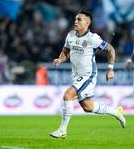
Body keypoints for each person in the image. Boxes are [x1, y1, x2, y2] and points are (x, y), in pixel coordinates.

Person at [50, 10, 126, 139]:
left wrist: (110, 69)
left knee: (68, 95)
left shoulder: (93, 38)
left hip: (88, 75)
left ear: (86, 23)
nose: (75, 21)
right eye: (75, 19)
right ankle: (116, 112)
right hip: (76, 75)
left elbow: (111, 49)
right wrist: (59, 59)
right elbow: (66, 52)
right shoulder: (71, 35)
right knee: (88, 107)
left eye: (79, 19)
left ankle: (62, 130)